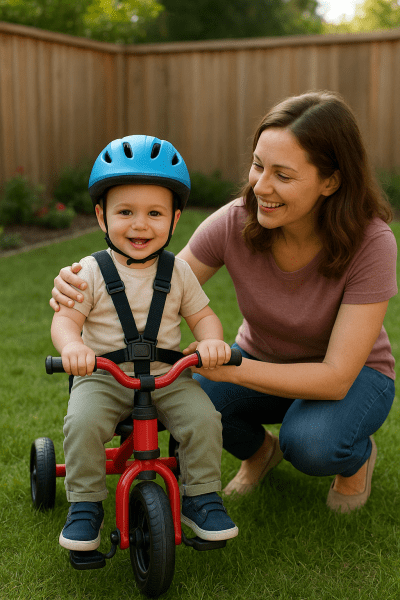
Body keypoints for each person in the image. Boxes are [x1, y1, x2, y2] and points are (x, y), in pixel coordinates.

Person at [50, 91, 397, 514]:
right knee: (186, 401)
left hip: (353, 378)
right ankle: (260, 452)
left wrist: (234, 370)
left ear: (331, 181)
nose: (260, 186)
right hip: (261, 357)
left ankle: (354, 460)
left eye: (283, 175)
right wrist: (83, 285)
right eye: (258, 165)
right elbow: (159, 284)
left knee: (310, 443)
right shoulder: (236, 220)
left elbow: (335, 377)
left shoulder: (372, 242)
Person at [51, 134, 238, 552]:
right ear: (101, 217)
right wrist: (72, 348)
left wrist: (211, 341)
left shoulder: (180, 273)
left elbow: (204, 316)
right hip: (103, 377)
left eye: (155, 213)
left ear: (174, 221)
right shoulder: (90, 272)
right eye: (125, 212)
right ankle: (85, 504)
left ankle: (201, 497)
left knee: (204, 418)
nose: (139, 224)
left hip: (167, 378)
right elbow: (65, 319)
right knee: (82, 423)